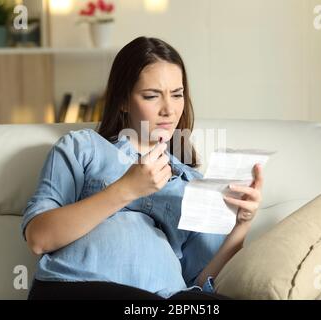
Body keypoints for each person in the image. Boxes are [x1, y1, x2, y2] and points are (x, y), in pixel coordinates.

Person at [21, 36, 263, 300]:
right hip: (77, 285)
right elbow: (39, 238)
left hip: (167, 298)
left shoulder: (192, 181)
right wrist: (126, 189)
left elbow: (201, 280)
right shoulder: (83, 147)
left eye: (177, 95)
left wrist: (241, 225)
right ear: (123, 101)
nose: (169, 110)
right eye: (151, 96)